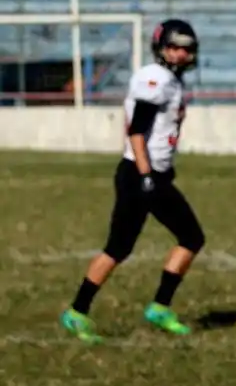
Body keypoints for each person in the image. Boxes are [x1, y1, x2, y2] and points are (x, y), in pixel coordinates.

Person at [60, 19, 204, 342]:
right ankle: (87, 311)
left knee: (125, 246)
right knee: (183, 238)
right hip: (141, 174)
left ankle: (82, 310)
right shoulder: (156, 79)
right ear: (161, 47)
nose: (180, 53)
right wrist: (147, 175)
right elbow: (137, 130)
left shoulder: (170, 80)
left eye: (185, 48)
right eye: (174, 47)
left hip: (150, 173)